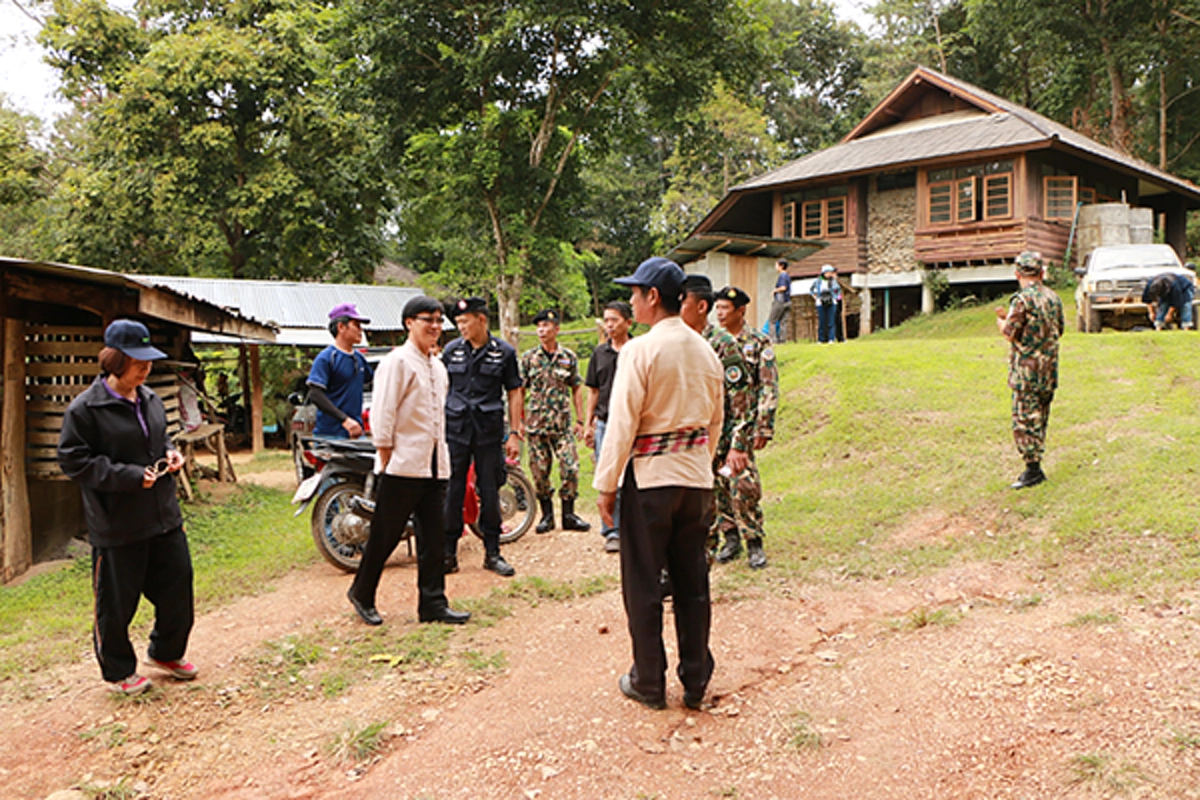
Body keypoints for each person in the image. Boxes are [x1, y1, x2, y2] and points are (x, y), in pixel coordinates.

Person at [595, 257, 724, 711]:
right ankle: (695, 681)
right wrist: (697, 465)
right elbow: (715, 421)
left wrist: (606, 484)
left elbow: (622, 423)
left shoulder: (640, 351)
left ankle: (648, 681)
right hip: (695, 481)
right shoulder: (705, 350)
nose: (630, 301)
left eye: (635, 293)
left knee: (644, 584)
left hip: (650, 482)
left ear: (653, 297)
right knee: (692, 582)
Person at [57, 320, 197, 695]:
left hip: (163, 515)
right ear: (115, 359)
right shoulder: (85, 409)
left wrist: (170, 452)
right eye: (139, 360)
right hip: (117, 523)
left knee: (178, 586)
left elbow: (161, 435)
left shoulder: (149, 398)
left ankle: (166, 652)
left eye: (149, 360)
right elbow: (73, 461)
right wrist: (128, 476)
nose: (146, 367)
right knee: (116, 604)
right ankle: (118, 670)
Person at [347, 297, 471, 626]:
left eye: (439, 320)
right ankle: (362, 592)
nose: (435, 326)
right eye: (427, 319)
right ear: (408, 323)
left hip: (434, 465)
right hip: (402, 464)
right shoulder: (397, 362)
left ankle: (432, 603)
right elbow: (383, 411)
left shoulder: (437, 366)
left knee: (433, 536)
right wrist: (385, 454)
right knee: (385, 535)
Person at [442, 297, 522, 578]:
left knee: (489, 490)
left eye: (465, 321)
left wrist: (514, 432)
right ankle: (448, 553)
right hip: (456, 431)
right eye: (458, 322)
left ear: (482, 320)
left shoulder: (504, 352)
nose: (461, 327)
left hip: (488, 432)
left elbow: (514, 392)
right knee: (453, 491)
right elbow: (442, 388)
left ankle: (492, 553)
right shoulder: (451, 352)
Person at [680, 276, 754, 557]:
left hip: (719, 439)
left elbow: (740, 397)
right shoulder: (678, 341)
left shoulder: (721, 343)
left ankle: (746, 542)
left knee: (733, 492)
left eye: (682, 302)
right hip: (687, 443)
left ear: (700, 306)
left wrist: (738, 444)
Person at [713, 286, 779, 570]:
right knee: (717, 482)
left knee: (743, 482)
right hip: (716, 424)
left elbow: (768, 386)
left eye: (725, 309)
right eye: (717, 309)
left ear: (741, 311)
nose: (720, 314)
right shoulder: (711, 343)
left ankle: (754, 540)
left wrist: (763, 426)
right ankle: (730, 537)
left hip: (744, 423)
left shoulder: (758, 342)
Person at [995, 251, 1064, 490]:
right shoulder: (1054, 298)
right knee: (1041, 417)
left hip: (1026, 372)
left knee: (1025, 420)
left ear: (1017, 274)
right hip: (1049, 370)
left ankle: (1033, 470)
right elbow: (1060, 329)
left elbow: (1010, 333)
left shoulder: (1022, 300)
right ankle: (1036, 465)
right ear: (1042, 272)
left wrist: (1002, 322)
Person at [521, 309, 591, 534]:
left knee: (570, 467)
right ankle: (547, 516)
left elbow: (576, 388)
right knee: (540, 472)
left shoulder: (568, 357)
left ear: (556, 328)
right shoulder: (529, 358)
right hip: (536, 425)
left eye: (546, 325)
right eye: (538, 326)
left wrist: (580, 420)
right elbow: (519, 391)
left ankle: (569, 514)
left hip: (562, 425)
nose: (541, 330)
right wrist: (520, 421)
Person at [584, 300, 633, 553]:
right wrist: (588, 423)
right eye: (607, 320)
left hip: (633, 424)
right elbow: (593, 391)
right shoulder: (599, 354)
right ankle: (611, 530)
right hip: (605, 423)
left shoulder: (637, 350)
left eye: (614, 320)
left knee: (632, 474)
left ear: (628, 322)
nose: (610, 325)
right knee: (608, 476)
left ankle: (631, 526)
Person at [307, 303, 373, 439]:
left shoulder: (359, 358)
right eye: (357, 325)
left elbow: (374, 382)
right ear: (341, 327)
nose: (361, 331)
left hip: (356, 432)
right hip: (330, 435)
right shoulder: (327, 358)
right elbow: (315, 394)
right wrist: (345, 420)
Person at [810, 264, 842, 344]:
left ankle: (831, 338)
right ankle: (821, 339)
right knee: (822, 321)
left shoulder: (833, 281)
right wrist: (815, 297)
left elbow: (838, 290)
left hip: (832, 301)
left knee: (831, 321)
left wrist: (835, 296)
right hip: (821, 302)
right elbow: (811, 290)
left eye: (830, 272)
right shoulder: (818, 281)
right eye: (828, 272)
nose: (829, 274)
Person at [767, 258, 792, 343]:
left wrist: (775, 290)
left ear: (781, 266)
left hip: (780, 301)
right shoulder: (787, 276)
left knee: (772, 321)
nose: (775, 267)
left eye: (776, 265)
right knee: (783, 321)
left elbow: (783, 288)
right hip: (788, 301)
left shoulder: (782, 276)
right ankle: (782, 340)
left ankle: (773, 340)